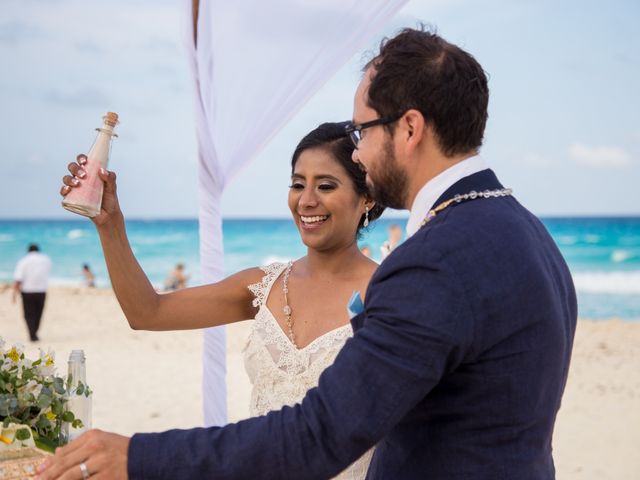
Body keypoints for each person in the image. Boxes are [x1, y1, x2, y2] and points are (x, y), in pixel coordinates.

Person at [39, 27, 577, 480]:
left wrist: (138, 456)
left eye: (364, 130)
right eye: (299, 183)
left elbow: (321, 433)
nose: (360, 151)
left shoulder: (430, 262)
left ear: (409, 128)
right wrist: (110, 225)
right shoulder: (530, 236)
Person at [45, 122, 383, 479]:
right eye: (298, 184)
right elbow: (147, 312)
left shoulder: (388, 294)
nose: (306, 200)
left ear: (368, 197)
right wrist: (110, 224)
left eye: (326, 186)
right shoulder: (261, 286)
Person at [12, 244, 52, 342]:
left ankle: (32, 333)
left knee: (28, 314)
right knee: (39, 313)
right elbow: (47, 272)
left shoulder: (23, 261)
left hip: (27, 291)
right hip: (41, 291)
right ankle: (34, 333)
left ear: (28, 251)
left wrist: (14, 293)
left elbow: (18, 279)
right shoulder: (46, 260)